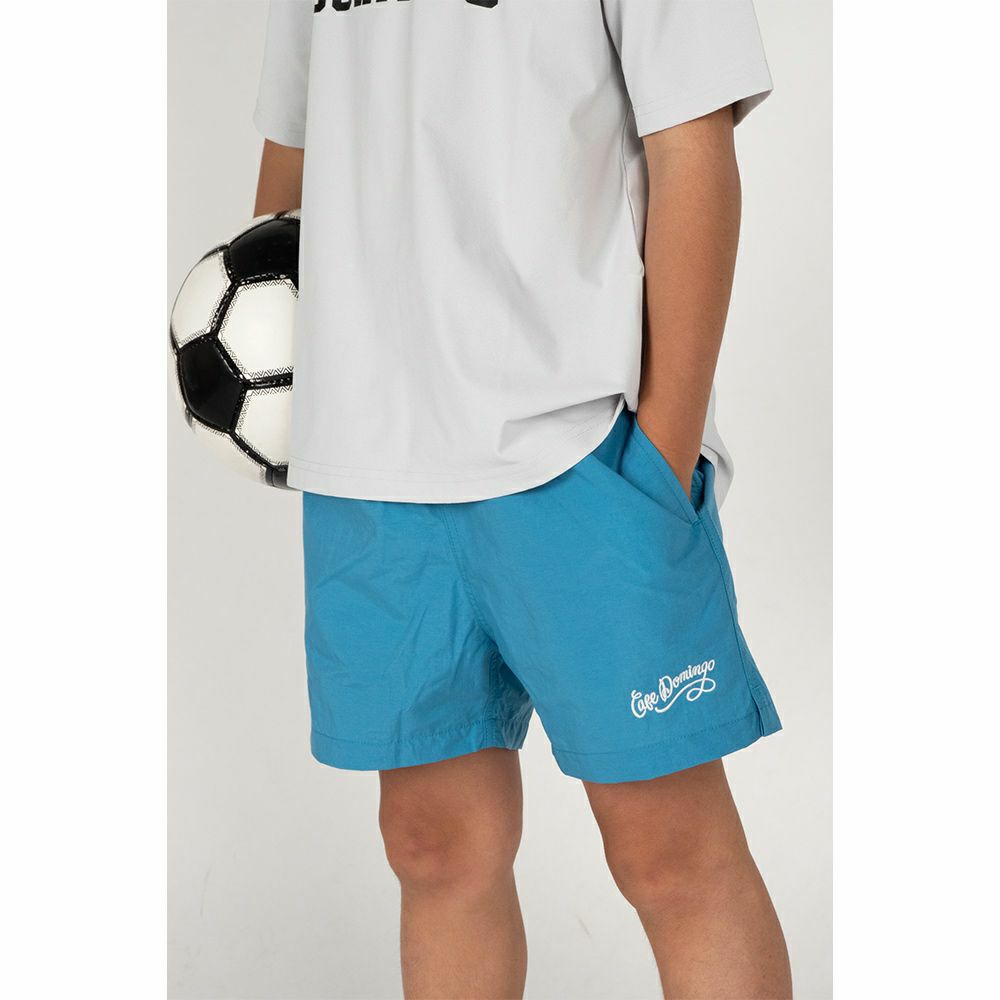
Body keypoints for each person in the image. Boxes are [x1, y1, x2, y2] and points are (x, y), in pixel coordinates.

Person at [251, 1, 790, 996]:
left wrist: (659, 458)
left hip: (579, 445)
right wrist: (270, 383)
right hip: (371, 466)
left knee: (669, 854)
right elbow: (296, 141)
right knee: (433, 847)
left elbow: (692, 143)